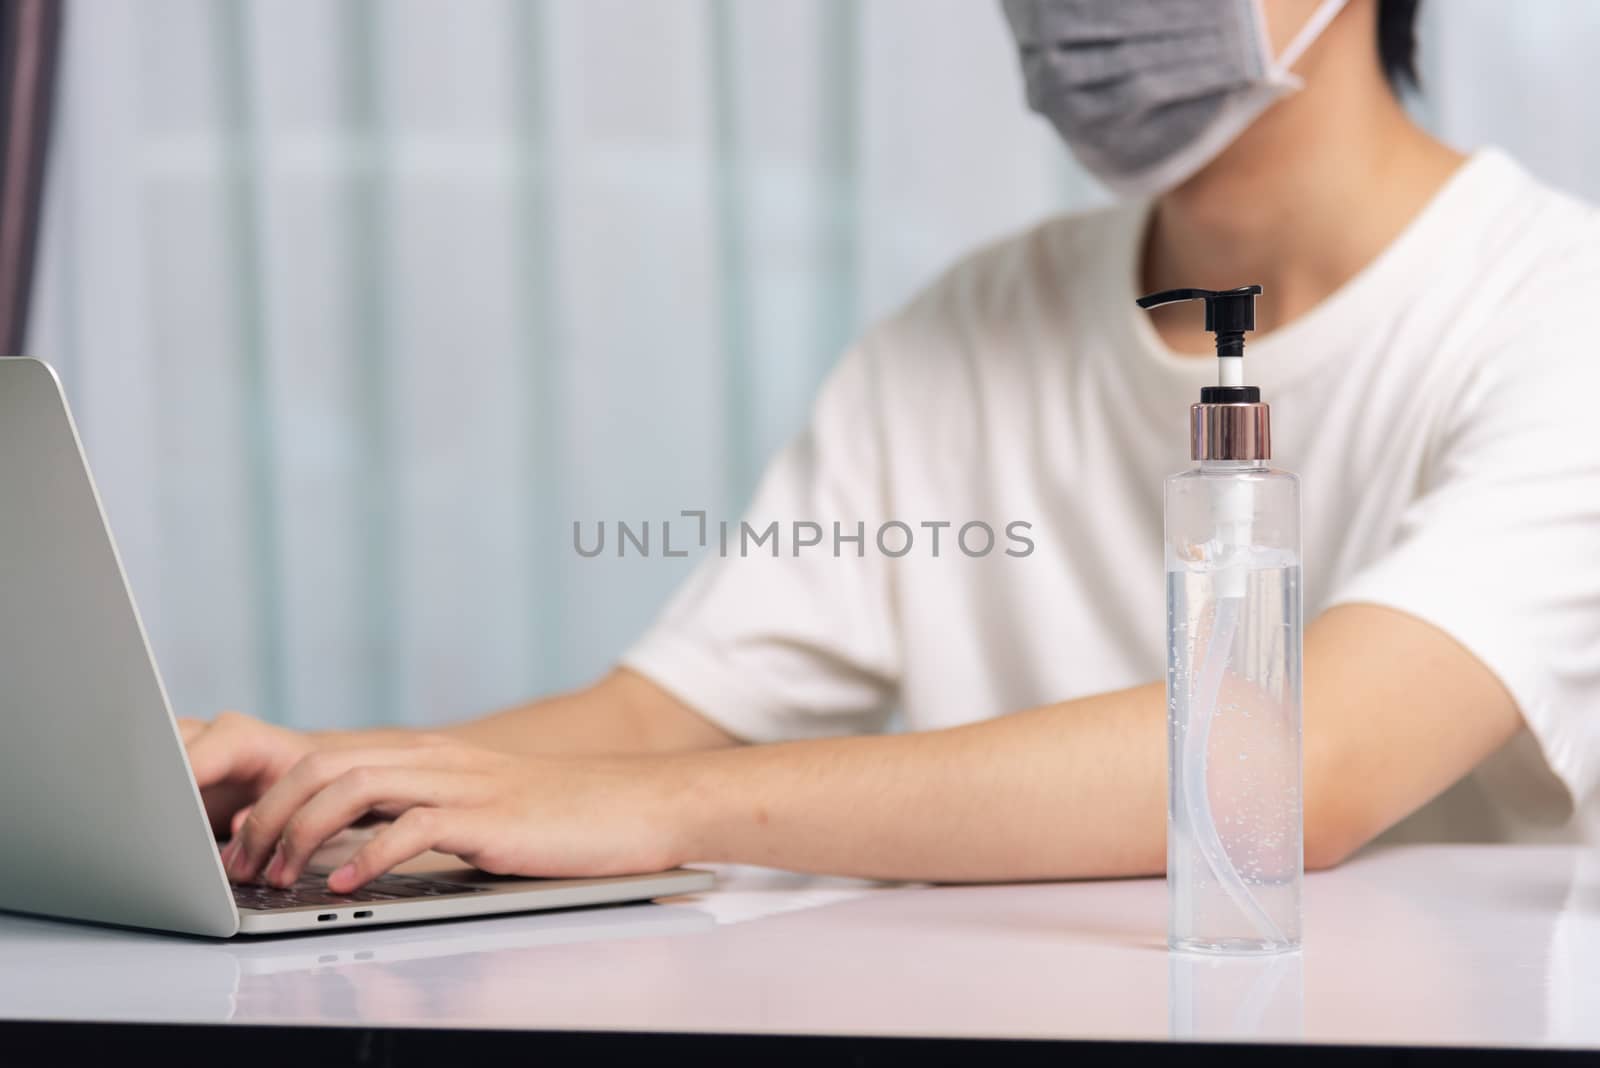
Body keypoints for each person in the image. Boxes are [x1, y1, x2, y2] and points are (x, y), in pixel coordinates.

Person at [186, 0, 1600, 895]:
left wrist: (658, 814)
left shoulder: (1558, 312)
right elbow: (665, 710)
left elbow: (1290, 771)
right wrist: (319, 785)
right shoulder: (970, 322)